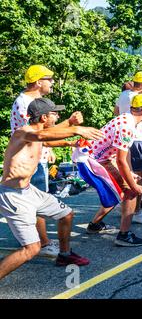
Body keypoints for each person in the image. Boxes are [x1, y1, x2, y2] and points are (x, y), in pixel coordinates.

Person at [0, 98, 104, 279]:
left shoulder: (38, 132)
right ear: (44, 117)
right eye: (54, 113)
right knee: (31, 249)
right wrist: (75, 129)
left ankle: (64, 255)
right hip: (13, 195)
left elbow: (49, 138)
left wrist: (71, 142)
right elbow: (42, 136)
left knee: (66, 214)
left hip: (28, 190)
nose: (58, 116)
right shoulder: (23, 132)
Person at [85, 87, 142, 246]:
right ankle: (123, 235)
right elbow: (121, 160)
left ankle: (95, 225)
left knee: (118, 192)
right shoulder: (128, 126)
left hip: (97, 158)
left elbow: (122, 156)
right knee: (130, 192)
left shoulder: (127, 118)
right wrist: (133, 185)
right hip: (96, 161)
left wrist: (129, 173)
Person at [10, 65, 79, 258]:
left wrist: (50, 148)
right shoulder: (25, 102)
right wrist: (71, 126)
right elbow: (38, 133)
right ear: (38, 82)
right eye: (49, 79)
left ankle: (40, 241)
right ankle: (43, 243)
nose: (52, 82)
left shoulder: (32, 101)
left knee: (39, 200)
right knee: (36, 203)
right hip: (29, 161)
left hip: (36, 156)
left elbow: (40, 134)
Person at [115, 71, 142, 224]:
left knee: (129, 174)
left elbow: (116, 112)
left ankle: (129, 206)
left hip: (125, 136)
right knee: (138, 176)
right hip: (137, 139)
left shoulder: (124, 94)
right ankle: (136, 211)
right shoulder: (137, 99)